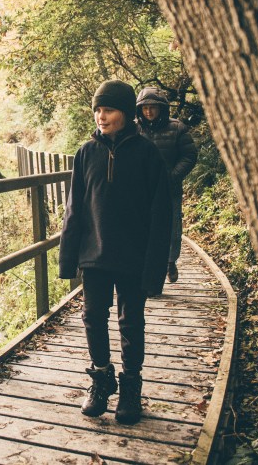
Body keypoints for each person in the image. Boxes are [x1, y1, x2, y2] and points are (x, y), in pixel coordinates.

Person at [58, 79, 172, 424]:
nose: (100, 116)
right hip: (94, 254)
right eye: (97, 110)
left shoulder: (147, 153)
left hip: (133, 257)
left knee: (131, 321)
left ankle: (131, 387)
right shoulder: (85, 153)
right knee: (93, 317)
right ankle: (101, 378)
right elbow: (74, 208)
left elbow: (161, 214)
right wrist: (68, 257)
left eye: (107, 110)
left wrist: (156, 268)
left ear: (125, 112)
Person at [135, 87, 198, 284]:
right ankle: (148, 270)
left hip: (169, 189)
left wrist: (172, 176)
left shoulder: (177, 128)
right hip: (142, 191)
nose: (149, 112)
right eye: (145, 108)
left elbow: (189, 155)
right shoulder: (133, 129)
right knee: (143, 229)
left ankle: (170, 262)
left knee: (172, 229)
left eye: (153, 107)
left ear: (161, 108)